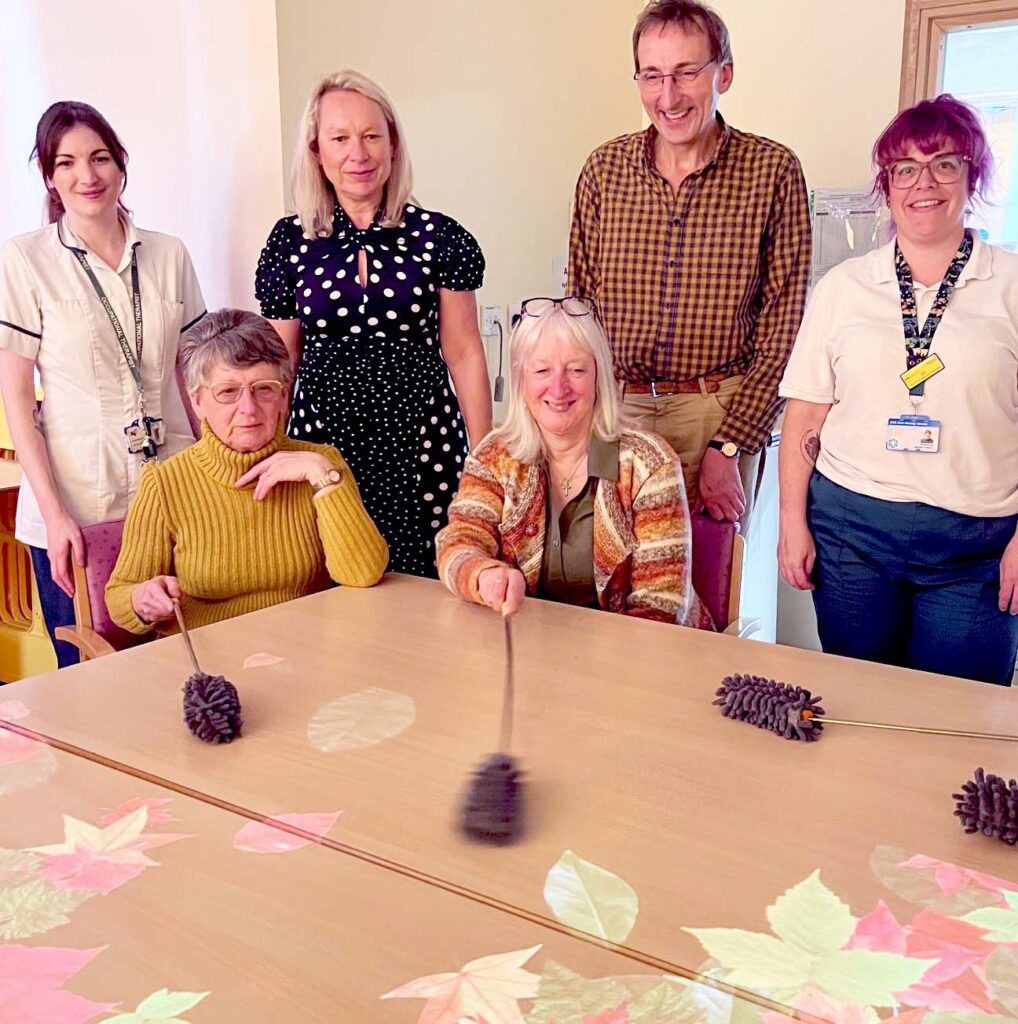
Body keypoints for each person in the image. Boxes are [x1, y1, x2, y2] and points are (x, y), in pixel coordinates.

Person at [778, 94, 1018, 686]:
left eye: (944, 162)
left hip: (976, 547)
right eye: (904, 169)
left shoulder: (1010, 284)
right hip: (852, 534)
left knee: (957, 722)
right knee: (860, 706)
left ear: (973, 173)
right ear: (886, 186)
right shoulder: (843, 287)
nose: (923, 183)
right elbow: (806, 411)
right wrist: (791, 522)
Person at [568, 0, 811, 534]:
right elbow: (578, 308)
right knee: (602, 566)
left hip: (715, 412)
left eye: (685, 73)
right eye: (652, 76)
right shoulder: (603, 170)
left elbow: (783, 326)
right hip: (615, 410)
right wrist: (582, 421)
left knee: (703, 584)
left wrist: (732, 443)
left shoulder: (773, 171)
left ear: (723, 73)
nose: (668, 96)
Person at [255, 69, 491, 578]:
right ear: (317, 151)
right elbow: (279, 362)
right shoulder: (289, 242)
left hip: (424, 445)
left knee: (431, 590)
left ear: (392, 144)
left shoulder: (440, 237)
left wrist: (485, 459)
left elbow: (465, 352)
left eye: (370, 136)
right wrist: (267, 448)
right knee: (333, 586)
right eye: (339, 138)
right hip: (325, 449)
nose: (356, 154)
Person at [0, 101, 206, 668]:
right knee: (91, 678)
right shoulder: (24, 259)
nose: (85, 176)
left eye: (99, 158)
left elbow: (194, 373)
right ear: (49, 176)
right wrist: (55, 512)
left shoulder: (169, 254)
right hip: (76, 502)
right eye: (65, 163)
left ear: (121, 165)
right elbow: (18, 397)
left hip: (171, 490)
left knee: (186, 656)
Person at [105, 309, 388, 634]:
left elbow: (363, 574)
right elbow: (120, 594)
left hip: (307, 653)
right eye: (227, 392)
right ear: (197, 402)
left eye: (264, 389)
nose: (248, 409)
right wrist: (141, 599)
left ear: (284, 396)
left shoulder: (321, 464)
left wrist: (322, 476)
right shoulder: (166, 483)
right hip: (211, 666)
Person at [436, 298, 712, 628]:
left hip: (638, 657)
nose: (559, 387)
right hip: (534, 648)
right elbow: (458, 543)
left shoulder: (649, 464)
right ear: (521, 381)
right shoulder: (493, 456)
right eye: (541, 370)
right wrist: (484, 575)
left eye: (576, 369)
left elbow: (661, 607)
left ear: (599, 377)